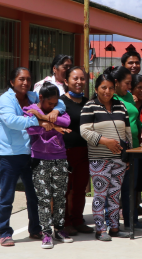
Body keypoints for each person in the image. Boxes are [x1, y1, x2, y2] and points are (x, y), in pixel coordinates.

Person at [0, 67, 65, 247]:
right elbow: (12, 121)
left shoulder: (34, 96)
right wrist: (39, 120)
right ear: (12, 82)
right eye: (21, 79)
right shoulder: (5, 100)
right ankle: (4, 232)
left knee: (34, 195)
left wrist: (56, 110)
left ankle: (35, 229)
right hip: (9, 155)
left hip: (31, 153)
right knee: (7, 195)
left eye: (28, 79)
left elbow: (58, 102)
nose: (25, 82)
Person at [80, 72, 132, 241]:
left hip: (119, 160)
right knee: (100, 195)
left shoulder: (121, 106)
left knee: (114, 195)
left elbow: (127, 133)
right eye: (103, 87)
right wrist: (105, 141)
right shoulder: (89, 106)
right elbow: (84, 131)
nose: (107, 91)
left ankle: (114, 228)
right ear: (96, 89)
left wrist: (128, 155)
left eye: (110, 88)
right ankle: (100, 229)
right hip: (99, 159)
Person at [24, 84, 74, 249]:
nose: (52, 106)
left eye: (55, 103)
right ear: (41, 98)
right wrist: (47, 122)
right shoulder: (30, 109)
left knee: (60, 196)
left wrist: (43, 117)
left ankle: (59, 230)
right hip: (39, 159)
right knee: (44, 199)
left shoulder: (56, 110)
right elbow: (30, 129)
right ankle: (46, 234)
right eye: (49, 103)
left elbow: (66, 121)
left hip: (60, 158)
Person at [108, 66, 142, 232]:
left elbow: (136, 118)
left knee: (131, 186)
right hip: (118, 149)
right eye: (127, 83)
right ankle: (113, 222)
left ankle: (132, 220)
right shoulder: (111, 98)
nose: (129, 86)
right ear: (116, 83)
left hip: (134, 148)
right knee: (116, 186)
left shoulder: (129, 98)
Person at [60, 67, 93, 236]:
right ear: (66, 81)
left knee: (80, 188)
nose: (79, 82)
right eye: (75, 78)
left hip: (84, 151)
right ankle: (65, 222)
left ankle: (78, 220)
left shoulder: (88, 103)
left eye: (82, 79)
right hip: (65, 152)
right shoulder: (60, 102)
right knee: (64, 189)